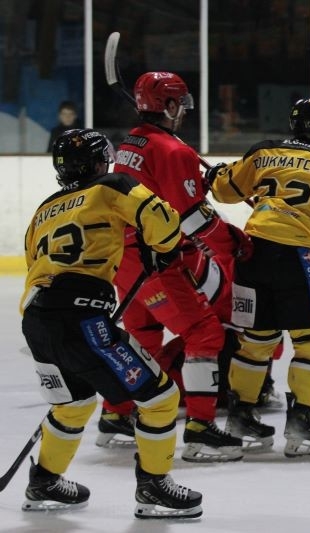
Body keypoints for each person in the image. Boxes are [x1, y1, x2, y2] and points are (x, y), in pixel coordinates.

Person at [20, 128, 202, 518]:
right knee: (160, 398)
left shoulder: (42, 211)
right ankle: (153, 487)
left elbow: (36, 266)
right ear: (101, 161)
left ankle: (45, 482)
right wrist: (164, 248)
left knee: (73, 404)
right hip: (82, 317)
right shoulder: (113, 184)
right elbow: (161, 219)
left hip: (37, 320)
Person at [99, 71, 250, 462]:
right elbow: (192, 218)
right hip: (155, 258)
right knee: (204, 333)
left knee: (143, 334)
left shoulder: (129, 143)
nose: (183, 109)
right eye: (179, 102)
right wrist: (229, 240)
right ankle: (200, 432)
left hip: (125, 257)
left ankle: (117, 415)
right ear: (167, 105)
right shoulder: (173, 150)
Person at [207, 97, 310, 457]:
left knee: (255, 339)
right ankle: (301, 420)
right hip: (297, 257)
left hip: (252, 253)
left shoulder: (264, 151)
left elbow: (224, 192)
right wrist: (304, 236)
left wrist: (216, 175)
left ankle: (240, 416)